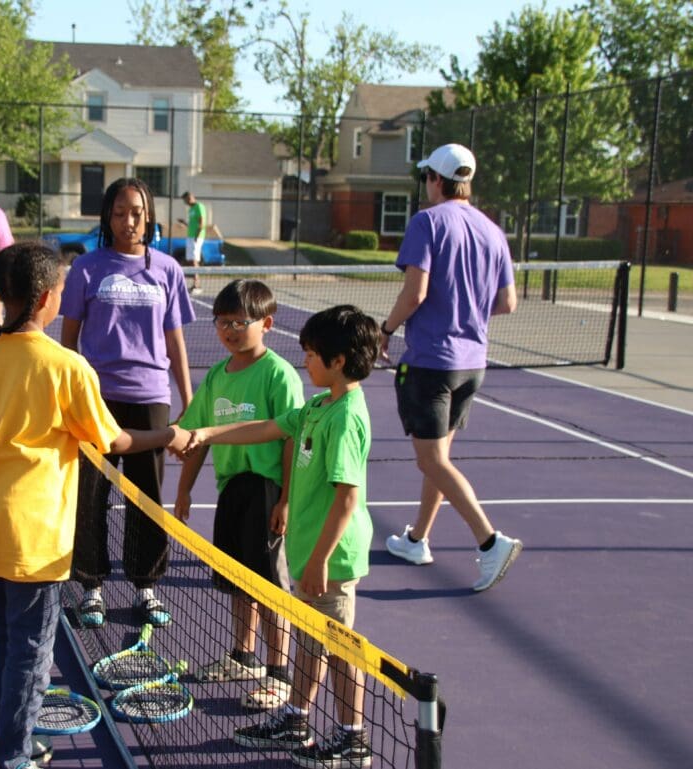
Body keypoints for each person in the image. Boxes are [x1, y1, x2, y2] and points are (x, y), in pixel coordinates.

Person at [0, 242, 189, 769]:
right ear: (45, 297)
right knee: (31, 656)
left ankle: (3, 741)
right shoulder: (67, 366)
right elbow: (114, 441)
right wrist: (170, 433)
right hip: (34, 541)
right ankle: (12, 756)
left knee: (3, 641)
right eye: (61, 288)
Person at [183, 305, 380, 769]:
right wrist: (209, 432)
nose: (305, 361)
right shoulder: (316, 407)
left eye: (312, 355)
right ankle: (296, 714)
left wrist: (318, 561)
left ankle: (353, 738)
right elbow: (267, 428)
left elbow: (347, 498)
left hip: (331, 560)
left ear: (339, 360)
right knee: (312, 644)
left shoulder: (346, 416)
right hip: (310, 551)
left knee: (338, 647)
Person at [380, 143, 522, 593]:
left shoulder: (426, 223)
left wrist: (385, 329)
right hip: (472, 364)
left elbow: (415, 294)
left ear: (436, 181)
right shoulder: (493, 231)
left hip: (432, 363)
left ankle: (489, 541)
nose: (426, 185)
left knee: (432, 459)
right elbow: (507, 303)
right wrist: (466, 313)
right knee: (438, 459)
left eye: (427, 178)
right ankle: (418, 539)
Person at [61, 177, 196, 630]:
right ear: (107, 217)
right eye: (119, 212)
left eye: (136, 211)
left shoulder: (168, 269)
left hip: (151, 397)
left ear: (149, 215)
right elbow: (68, 341)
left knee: (148, 498)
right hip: (97, 399)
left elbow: (174, 340)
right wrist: (71, 396)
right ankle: (92, 587)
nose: (128, 220)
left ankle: (146, 587)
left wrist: (188, 400)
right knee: (91, 496)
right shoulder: (87, 268)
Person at [174, 279, 303, 711]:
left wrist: (285, 499)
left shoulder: (278, 374)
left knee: (269, 585)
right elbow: (197, 437)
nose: (228, 330)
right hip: (231, 490)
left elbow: (291, 438)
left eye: (238, 322)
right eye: (221, 322)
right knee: (237, 581)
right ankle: (243, 656)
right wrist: (184, 491)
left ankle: (279, 672)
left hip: (266, 489)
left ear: (266, 323)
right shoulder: (215, 376)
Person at [179, 190, 207, 293]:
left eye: (186, 200)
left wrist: (197, 236)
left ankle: (197, 285)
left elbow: (202, 223)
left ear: (190, 197)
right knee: (191, 260)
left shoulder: (199, 207)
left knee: (195, 260)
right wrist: (184, 223)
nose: (185, 202)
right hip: (190, 237)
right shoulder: (191, 210)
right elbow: (192, 225)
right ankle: (195, 284)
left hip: (196, 237)